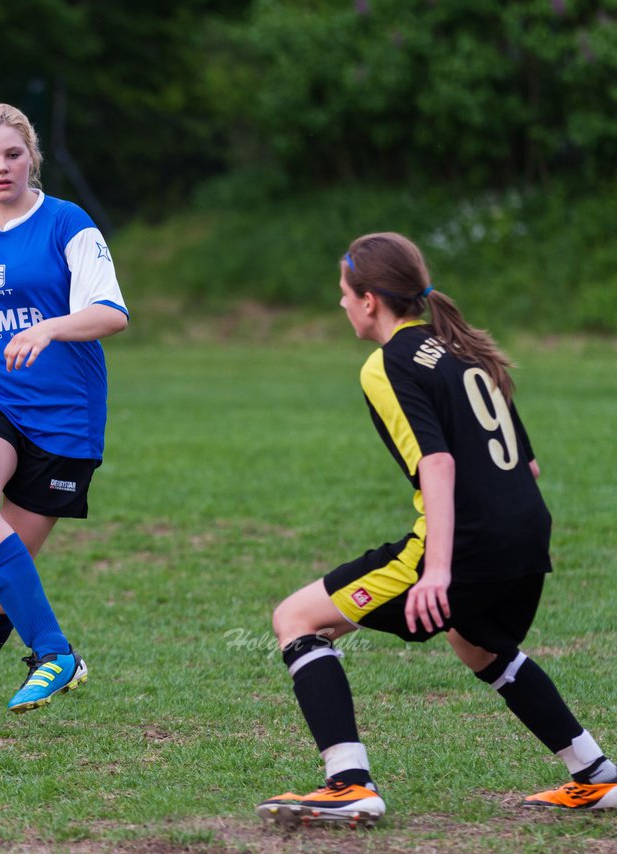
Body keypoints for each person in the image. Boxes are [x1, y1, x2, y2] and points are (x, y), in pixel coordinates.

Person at [256, 232, 616, 828]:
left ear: (370, 300)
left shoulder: (388, 363)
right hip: (527, 534)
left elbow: (438, 464)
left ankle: (348, 783)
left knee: (296, 619)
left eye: (344, 294)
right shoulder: (463, 350)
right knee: (475, 643)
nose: (341, 305)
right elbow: (527, 465)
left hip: (470, 545)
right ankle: (596, 774)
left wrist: (440, 571)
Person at [0, 103, 128, 730]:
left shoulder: (69, 223)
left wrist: (52, 327)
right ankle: (56, 652)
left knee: (5, 569)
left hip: (64, 415)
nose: (1, 167)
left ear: (31, 155)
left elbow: (111, 313)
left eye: (12, 154)